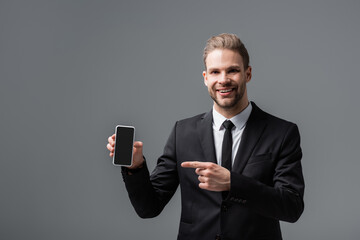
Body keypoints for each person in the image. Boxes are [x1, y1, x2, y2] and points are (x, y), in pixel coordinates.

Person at [106, 33, 304, 240]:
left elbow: (292, 206)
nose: (223, 80)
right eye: (215, 72)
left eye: (233, 71)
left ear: (248, 74)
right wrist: (135, 167)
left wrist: (232, 183)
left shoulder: (281, 133)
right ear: (206, 78)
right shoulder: (182, 132)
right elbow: (149, 208)